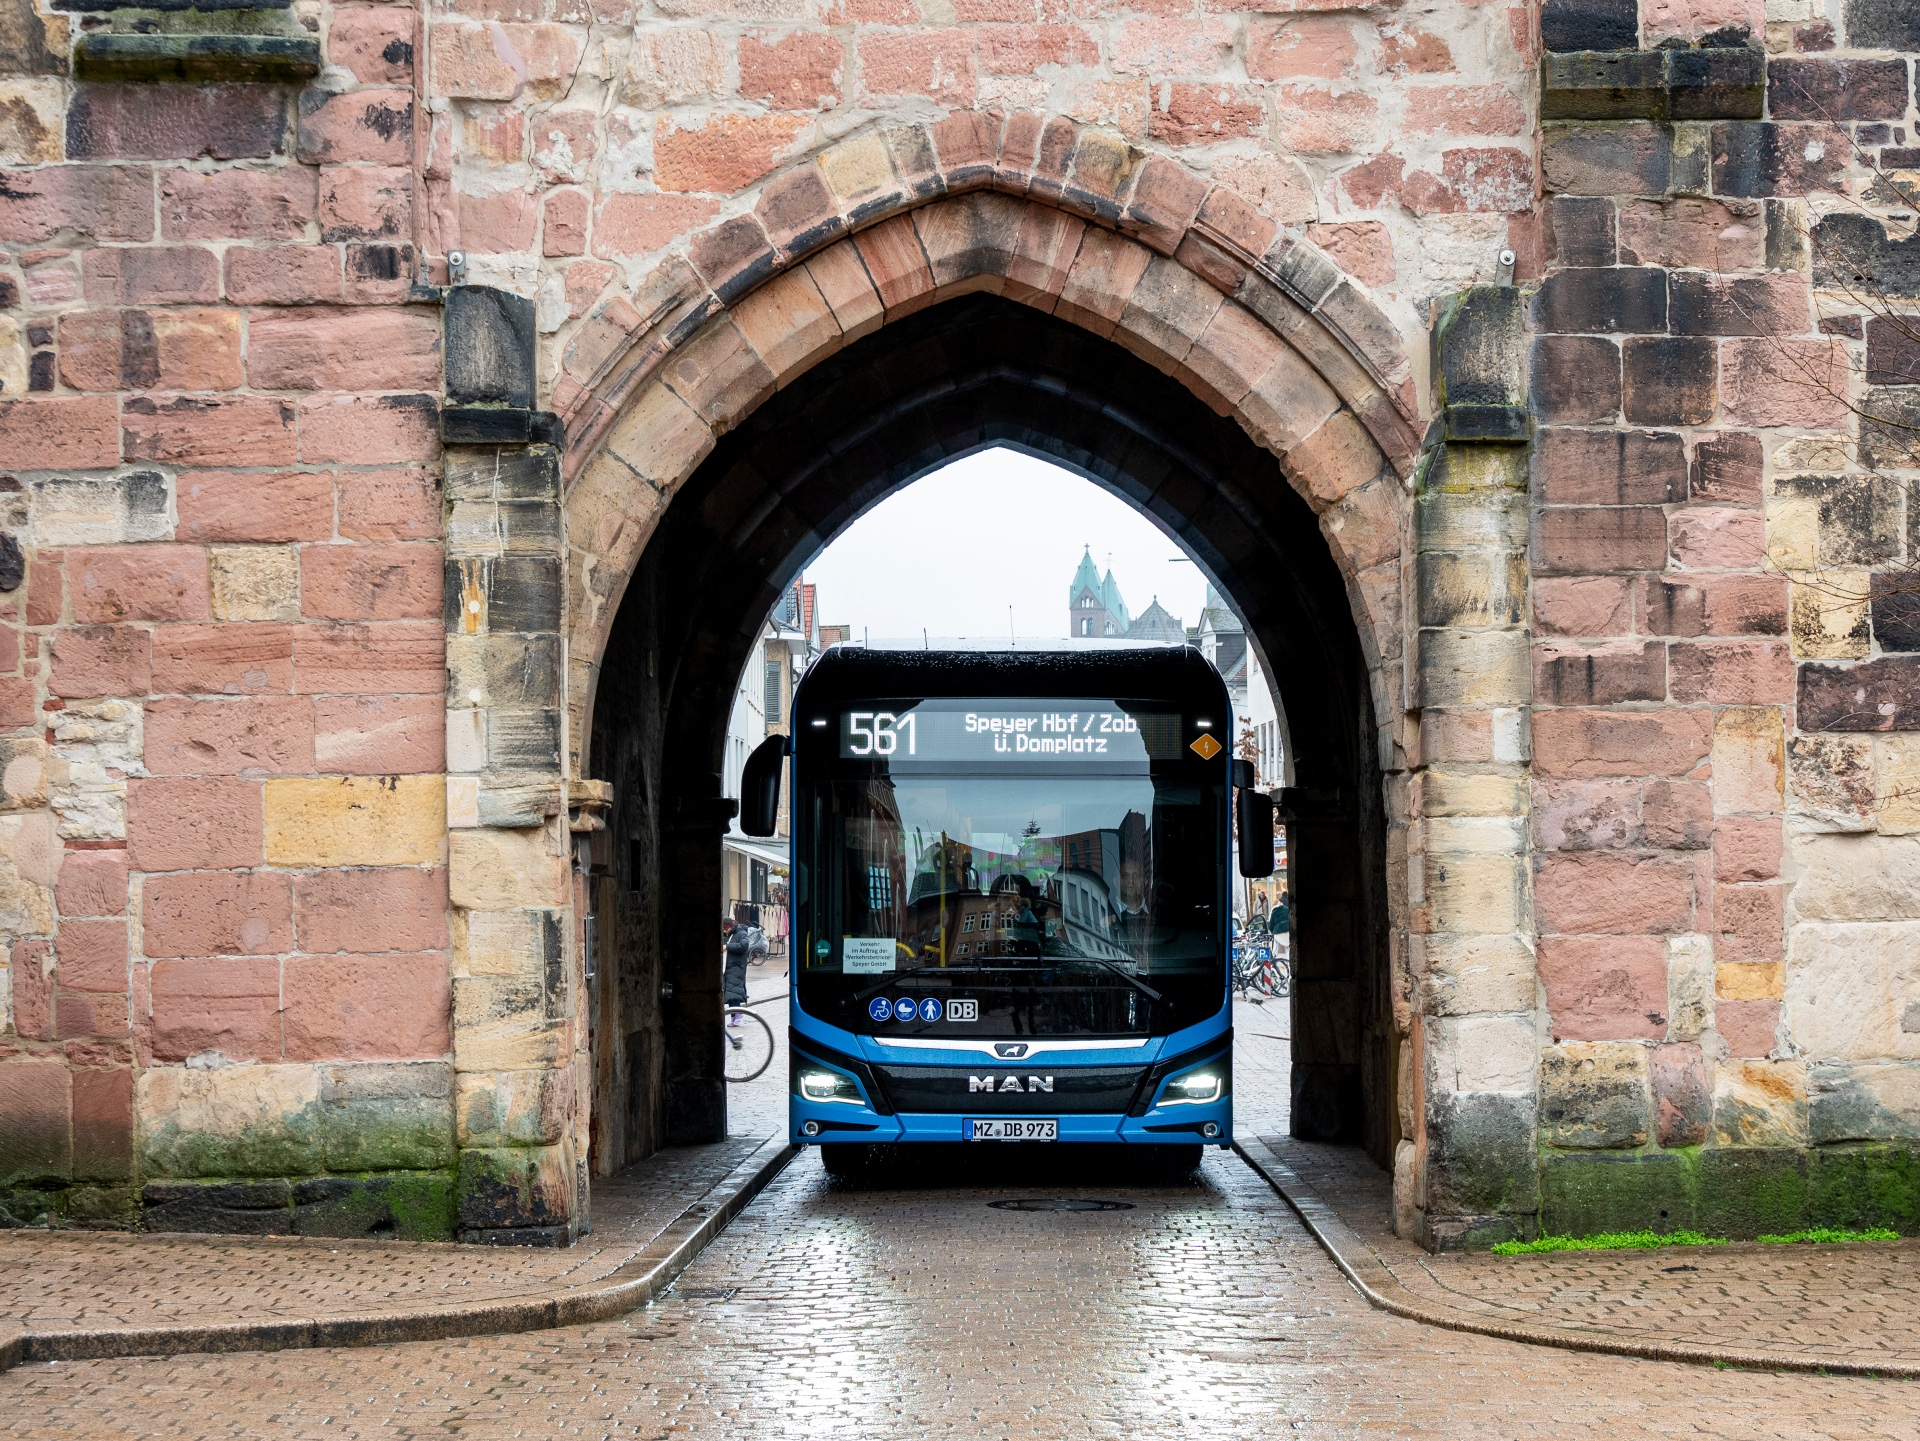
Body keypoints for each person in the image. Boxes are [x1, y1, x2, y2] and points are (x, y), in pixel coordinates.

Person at [722, 917, 751, 1022]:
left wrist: (728, 946)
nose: (725, 932)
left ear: (730, 927)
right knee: (729, 992)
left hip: (737, 966)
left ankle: (738, 1015)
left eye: (726, 929)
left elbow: (744, 945)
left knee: (734, 991)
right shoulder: (726, 934)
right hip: (727, 966)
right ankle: (734, 1016)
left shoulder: (741, 932)